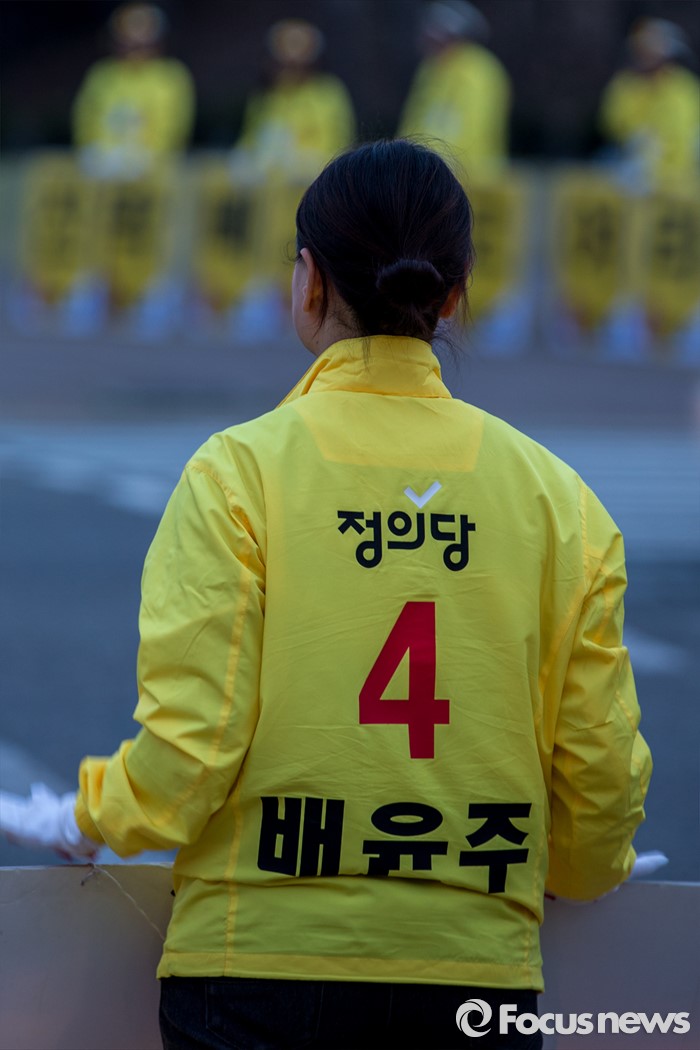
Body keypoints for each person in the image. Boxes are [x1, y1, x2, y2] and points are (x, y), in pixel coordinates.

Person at [1, 140, 651, 1049]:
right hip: (476, 972)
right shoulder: (560, 502)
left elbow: (190, 756)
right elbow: (599, 778)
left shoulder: (239, 473)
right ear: (457, 293)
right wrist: (582, 869)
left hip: (255, 970)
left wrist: (85, 813)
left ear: (308, 283)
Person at [72, 2, 196, 179]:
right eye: (128, 39)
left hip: (154, 169)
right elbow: (85, 121)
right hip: (102, 168)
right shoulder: (102, 76)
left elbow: (174, 128)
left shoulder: (171, 77)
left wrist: (149, 157)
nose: (135, 46)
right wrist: (97, 153)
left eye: (142, 40)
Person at [231, 18, 356, 182]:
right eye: (284, 56)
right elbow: (249, 140)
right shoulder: (264, 97)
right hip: (267, 189)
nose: (291, 62)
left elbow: (338, 144)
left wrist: (301, 163)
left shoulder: (328, 93)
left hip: (314, 186)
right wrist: (242, 161)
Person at [398, 0, 511, 182]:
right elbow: (416, 120)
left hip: (466, 177)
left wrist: (440, 169)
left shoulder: (476, 70)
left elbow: (470, 130)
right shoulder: (430, 70)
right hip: (426, 172)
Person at [599, 18, 700, 191]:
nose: (645, 56)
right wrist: (633, 141)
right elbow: (612, 122)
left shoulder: (683, 88)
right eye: (641, 49)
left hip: (680, 178)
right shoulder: (624, 85)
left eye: (651, 50)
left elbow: (685, 134)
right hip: (632, 173)